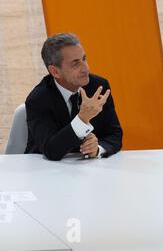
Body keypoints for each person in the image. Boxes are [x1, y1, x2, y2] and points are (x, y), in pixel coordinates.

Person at [25, 33, 123, 161]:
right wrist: (82, 119)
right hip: (45, 172)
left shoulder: (99, 86)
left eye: (84, 59)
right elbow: (51, 150)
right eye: (76, 64)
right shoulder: (38, 100)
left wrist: (97, 148)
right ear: (55, 71)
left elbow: (114, 134)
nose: (86, 68)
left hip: (88, 170)